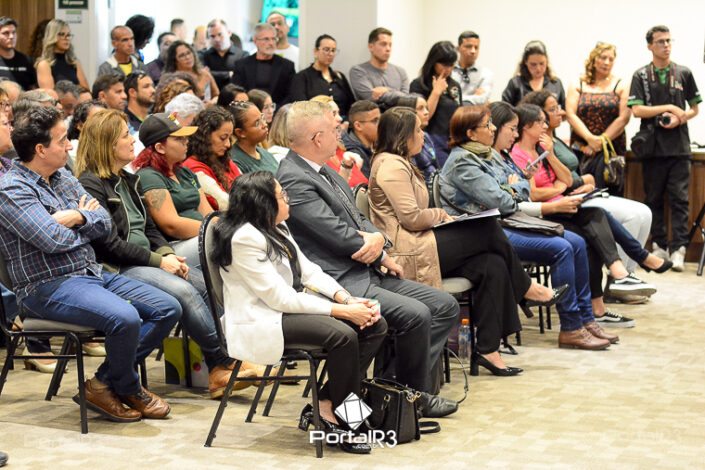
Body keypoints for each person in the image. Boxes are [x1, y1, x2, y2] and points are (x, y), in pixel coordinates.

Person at [277, 100, 458, 416]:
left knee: (444, 305)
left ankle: (392, 394)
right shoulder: (294, 177)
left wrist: (381, 246)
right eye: (334, 129)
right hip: (337, 280)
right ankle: (411, 400)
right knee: (416, 314)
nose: (340, 134)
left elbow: (358, 219)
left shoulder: (324, 169)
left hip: (364, 268)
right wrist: (374, 244)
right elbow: (334, 233)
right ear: (317, 138)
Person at [0, 106, 180, 421]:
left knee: (168, 308)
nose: (70, 145)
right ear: (41, 149)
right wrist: (87, 222)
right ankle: (128, 386)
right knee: (125, 317)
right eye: (62, 140)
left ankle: (103, 383)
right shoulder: (12, 190)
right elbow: (52, 240)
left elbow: (105, 224)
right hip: (46, 286)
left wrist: (76, 216)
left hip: (90, 273)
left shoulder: (63, 177)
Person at [370, 106, 574, 371]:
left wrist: (442, 217)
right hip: (406, 250)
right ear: (403, 135)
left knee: (492, 265)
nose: (423, 135)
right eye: (418, 130)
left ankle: (489, 350)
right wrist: (441, 214)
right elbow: (411, 218)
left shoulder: (401, 162)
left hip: (420, 240)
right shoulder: (391, 165)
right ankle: (526, 289)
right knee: (487, 228)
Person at [76, 108, 258, 398]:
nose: (132, 141)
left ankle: (224, 364)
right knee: (183, 292)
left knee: (204, 285)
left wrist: (165, 254)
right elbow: (108, 245)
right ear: (107, 144)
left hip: (144, 259)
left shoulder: (127, 179)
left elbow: (150, 228)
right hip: (116, 267)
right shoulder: (91, 184)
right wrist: (160, 260)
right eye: (124, 136)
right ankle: (224, 361)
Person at [213, 171, 386, 453]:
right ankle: (349, 420)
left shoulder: (276, 226)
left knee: (375, 325)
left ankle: (327, 404)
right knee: (343, 335)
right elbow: (280, 299)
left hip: (286, 311)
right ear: (263, 203)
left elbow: (309, 271)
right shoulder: (244, 239)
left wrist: (346, 299)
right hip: (261, 320)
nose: (288, 199)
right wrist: (342, 312)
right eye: (282, 195)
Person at [440, 103, 615, 348]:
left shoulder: (487, 154)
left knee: (577, 242)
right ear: (471, 133)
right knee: (563, 248)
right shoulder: (464, 161)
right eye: (489, 125)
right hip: (489, 230)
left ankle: (586, 319)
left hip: (504, 222)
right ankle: (571, 327)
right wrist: (515, 187)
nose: (493, 129)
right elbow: (504, 201)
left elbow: (519, 187)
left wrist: (514, 186)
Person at [510, 103, 669, 318]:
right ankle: (629, 265)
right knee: (595, 220)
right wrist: (558, 188)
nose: (545, 126)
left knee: (595, 225)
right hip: (545, 212)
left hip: (563, 206)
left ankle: (604, 297)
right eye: (541, 121)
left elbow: (567, 180)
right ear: (527, 126)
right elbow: (534, 194)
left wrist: (550, 155)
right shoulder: (518, 154)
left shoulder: (541, 149)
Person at [523, 90, 653, 280]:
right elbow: (558, 182)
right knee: (632, 216)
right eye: (553, 110)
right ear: (537, 117)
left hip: (582, 192)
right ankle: (618, 277)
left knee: (645, 212)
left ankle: (629, 272)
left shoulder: (555, 140)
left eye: (558, 107)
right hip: (568, 198)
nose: (561, 112)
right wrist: (586, 180)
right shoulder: (540, 145)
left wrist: (587, 182)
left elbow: (567, 177)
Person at [628, 25, 701, 272]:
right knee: (654, 198)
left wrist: (681, 117)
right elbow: (637, 110)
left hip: (679, 146)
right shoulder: (640, 75)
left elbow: (694, 108)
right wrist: (668, 107)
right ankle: (658, 245)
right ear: (650, 45)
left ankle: (679, 248)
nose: (666, 45)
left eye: (669, 41)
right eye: (660, 41)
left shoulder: (683, 73)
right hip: (652, 148)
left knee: (680, 200)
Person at [133, 113, 214, 267]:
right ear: (160, 147)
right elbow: (171, 225)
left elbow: (208, 213)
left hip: (202, 235)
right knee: (227, 240)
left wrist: (225, 226)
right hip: (174, 247)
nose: (186, 141)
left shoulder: (185, 172)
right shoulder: (148, 176)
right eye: (178, 139)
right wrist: (215, 229)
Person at [566, 42, 630, 170]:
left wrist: (601, 141)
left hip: (612, 146)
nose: (606, 62)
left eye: (611, 59)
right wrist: (590, 139)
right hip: (581, 145)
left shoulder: (621, 85)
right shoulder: (578, 84)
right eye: (603, 58)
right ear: (594, 59)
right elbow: (570, 114)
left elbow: (624, 118)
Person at [410, 41, 462, 166]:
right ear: (433, 62)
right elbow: (422, 117)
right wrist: (436, 92)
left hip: (453, 139)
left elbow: (459, 113)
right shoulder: (419, 84)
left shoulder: (454, 85)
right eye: (444, 64)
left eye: (451, 65)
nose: (448, 69)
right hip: (431, 139)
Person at [183, 106, 241, 209]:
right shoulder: (193, 168)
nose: (228, 144)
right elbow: (225, 204)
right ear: (206, 135)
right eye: (223, 138)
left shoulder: (225, 161)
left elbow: (249, 189)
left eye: (229, 138)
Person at [289, 34, 355, 118]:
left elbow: (352, 105)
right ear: (315, 51)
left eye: (333, 50)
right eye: (326, 49)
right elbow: (300, 108)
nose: (330, 54)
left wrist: (346, 122)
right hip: (315, 122)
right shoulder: (302, 77)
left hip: (342, 122)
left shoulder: (339, 76)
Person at [231, 23, 295, 106]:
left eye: (273, 39)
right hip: (248, 109)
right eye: (266, 39)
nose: (271, 43)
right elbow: (235, 92)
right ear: (255, 41)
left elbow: (291, 94)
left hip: (277, 110)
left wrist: (274, 110)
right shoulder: (241, 65)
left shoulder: (287, 66)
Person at [310, 95, 367, 187]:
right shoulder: (315, 159)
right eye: (333, 114)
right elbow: (335, 192)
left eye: (338, 113)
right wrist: (346, 168)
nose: (340, 118)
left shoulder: (341, 149)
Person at [349, 27, 409, 108]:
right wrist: (397, 95)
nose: (388, 49)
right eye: (383, 44)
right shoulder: (358, 71)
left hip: (399, 116)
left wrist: (387, 90)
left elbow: (407, 100)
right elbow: (369, 97)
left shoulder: (400, 72)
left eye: (390, 45)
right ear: (371, 47)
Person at [502, 40, 564, 108]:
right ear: (525, 62)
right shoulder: (515, 84)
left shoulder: (555, 83)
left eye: (542, 63)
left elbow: (564, 109)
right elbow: (504, 110)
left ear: (547, 61)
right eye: (533, 64)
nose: (538, 69)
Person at [394, 95, 438, 183]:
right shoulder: (403, 146)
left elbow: (437, 166)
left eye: (426, 108)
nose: (426, 112)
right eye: (421, 108)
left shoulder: (426, 135)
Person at [35, 19, 89, 90]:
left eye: (68, 35)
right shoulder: (44, 65)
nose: (66, 38)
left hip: (77, 97)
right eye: (62, 34)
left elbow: (86, 90)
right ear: (52, 36)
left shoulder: (74, 62)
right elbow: (50, 93)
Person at [229, 100, 278, 174]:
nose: (264, 125)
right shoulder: (235, 162)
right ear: (240, 132)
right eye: (257, 123)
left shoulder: (266, 154)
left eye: (262, 118)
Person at [199, 19, 248, 91]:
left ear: (229, 33)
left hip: (235, 95)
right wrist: (228, 74)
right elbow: (202, 75)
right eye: (212, 36)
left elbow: (242, 78)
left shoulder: (243, 55)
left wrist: (211, 73)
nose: (217, 39)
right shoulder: (203, 55)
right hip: (211, 95)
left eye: (220, 34)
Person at [340, 100, 380, 177]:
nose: (380, 124)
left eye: (380, 119)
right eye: (375, 121)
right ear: (358, 126)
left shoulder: (374, 144)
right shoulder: (353, 154)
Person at [451, 30, 492, 105]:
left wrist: (455, 98)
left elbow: (483, 99)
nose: (473, 51)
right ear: (458, 48)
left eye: (476, 47)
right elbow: (444, 99)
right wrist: (474, 97)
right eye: (468, 46)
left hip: (475, 112)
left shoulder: (485, 73)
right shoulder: (449, 71)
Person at [0, 17, 37, 90]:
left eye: (14, 32)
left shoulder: (26, 60)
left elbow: (33, 87)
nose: (11, 37)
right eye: (6, 33)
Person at [67, 99, 107, 168]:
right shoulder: (73, 150)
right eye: (97, 120)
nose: (104, 124)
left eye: (107, 119)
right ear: (80, 125)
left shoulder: (112, 145)